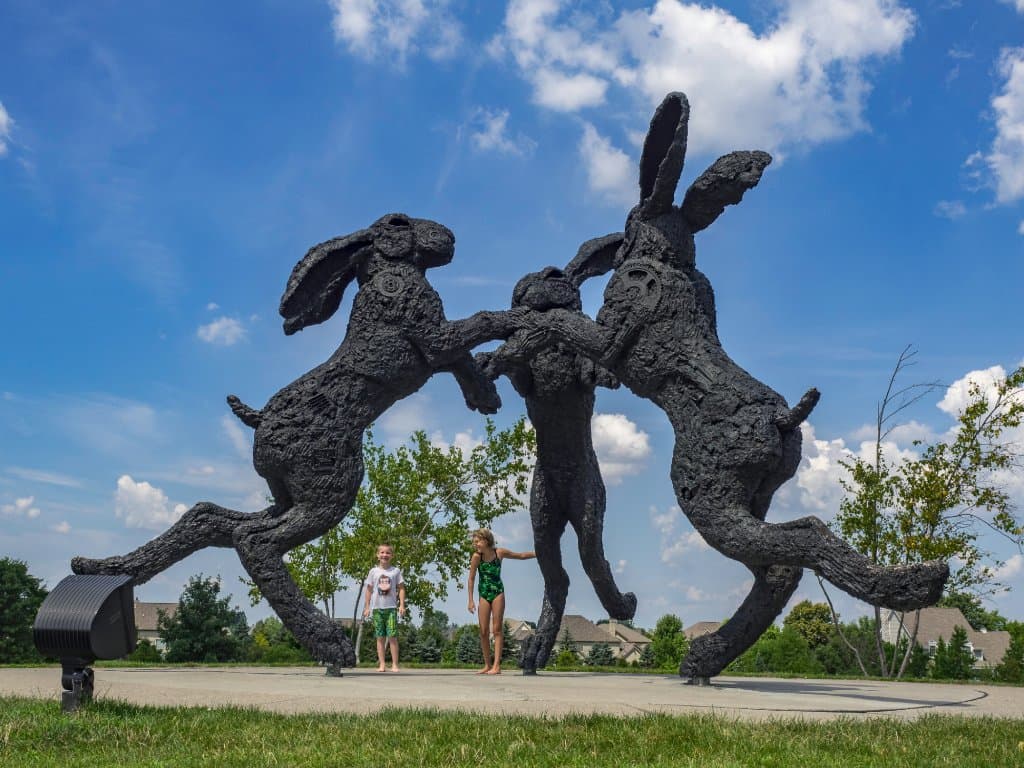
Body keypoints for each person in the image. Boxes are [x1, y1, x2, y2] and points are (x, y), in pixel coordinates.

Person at [466, 528, 535, 675]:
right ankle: (487, 665)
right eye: (474, 542)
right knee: (483, 631)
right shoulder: (476, 557)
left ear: (486, 540)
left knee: (497, 629)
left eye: (477, 541)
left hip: (498, 593)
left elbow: (521, 555)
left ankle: (496, 666)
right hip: (484, 594)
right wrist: (470, 600)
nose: (475, 544)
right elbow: (471, 578)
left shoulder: (499, 553)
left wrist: (538, 554)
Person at [362, 543, 406, 672]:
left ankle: (394, 664)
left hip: (391, 608)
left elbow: (401, 588)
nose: (384, 555)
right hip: (377, 608)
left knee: (392, 636)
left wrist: (402, 605)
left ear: (391, 555)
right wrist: (367, 607)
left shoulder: (395, 571)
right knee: (380, 636)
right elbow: (369, 589)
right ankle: (382, 664)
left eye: (387, 553)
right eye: (382, 552)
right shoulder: (373, 571)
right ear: (377, 555)